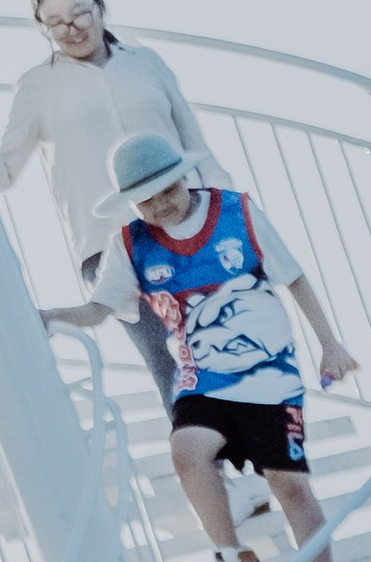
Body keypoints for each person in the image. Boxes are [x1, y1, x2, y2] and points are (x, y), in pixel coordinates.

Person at [44, 134, 358, 562]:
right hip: (204, 376)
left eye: (167, 191)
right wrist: (49, 317)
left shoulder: (237, 213)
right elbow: (98, 308)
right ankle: (231, 551)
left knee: (289, 485)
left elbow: (295, 276)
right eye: (145, 201)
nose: (161, 207)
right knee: (187, 450)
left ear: (184, 177)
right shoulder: (130, 243)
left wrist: (330, 344)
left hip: (267, 375)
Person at [0, 0, 217, 398]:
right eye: (55, 23)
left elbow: (195, 144)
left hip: (185, 224)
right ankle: (204, 462)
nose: (71, 29)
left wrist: (230, 208)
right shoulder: (37, 87)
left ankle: (261, 455)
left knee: (222, 344)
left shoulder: (146, 63)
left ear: (100, 7)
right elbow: (5, 169)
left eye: (80, 14)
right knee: (171, 363)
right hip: (110, 243)